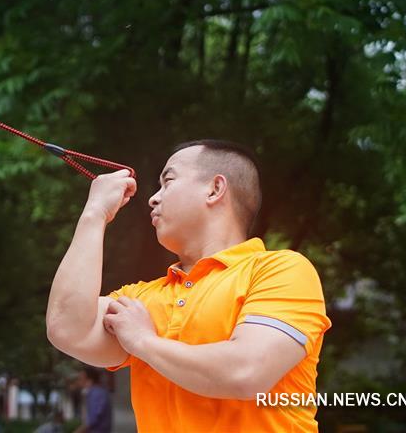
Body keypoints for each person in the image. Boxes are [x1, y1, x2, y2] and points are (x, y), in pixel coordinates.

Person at [46, 139, 332, 432]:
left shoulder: (280, 270)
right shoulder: (143, 298)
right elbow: (66, 328)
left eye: (167, 181)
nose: (152, 199)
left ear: (215, 189)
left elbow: (245, 373)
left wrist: (144, 342)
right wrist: (95, 214)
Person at [74, 367, 111, 433]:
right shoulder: (95, 392)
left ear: (89, 380)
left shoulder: (96, 393)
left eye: (81, 379)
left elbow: (92, 419)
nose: (79, 382)